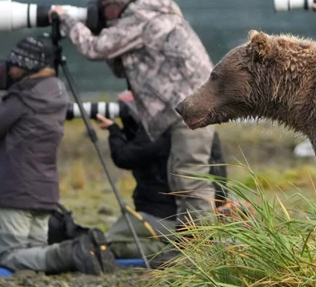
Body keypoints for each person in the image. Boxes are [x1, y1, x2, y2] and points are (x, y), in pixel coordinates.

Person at [50, 0, 218, 233]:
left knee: (189, 178)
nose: (102, 16)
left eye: (103, 10)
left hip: (189, 106)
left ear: (115, 6)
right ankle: (192, 247)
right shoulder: (158, 12)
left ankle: (202, 250)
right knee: (182, 175)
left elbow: (95, 49)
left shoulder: (139, 18)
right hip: (192, 103)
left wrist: (67, 19)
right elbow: (124, 66)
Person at [0, 35, 115, 276]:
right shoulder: (56, 92)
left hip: (14, 191)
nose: (10, 68)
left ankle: (73, 252)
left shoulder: (22, 97)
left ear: (27, 66)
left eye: (14, 64)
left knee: (8, 256)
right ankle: (77, 251)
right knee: (35, 255)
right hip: (45, 191)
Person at [92, 90, 235, 264]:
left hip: (162, 214)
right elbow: (219, 174)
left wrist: (114, 130)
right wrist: (219, 204)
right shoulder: (200, 130)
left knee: (107, 245)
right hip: (196, 212)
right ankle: (189, 245)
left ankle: (170, 251)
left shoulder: (155, 132)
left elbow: (124, 156)